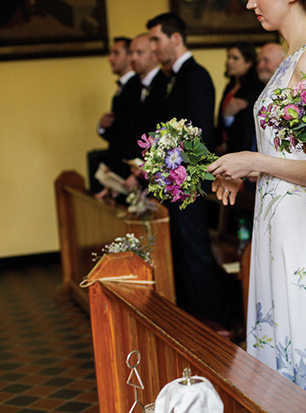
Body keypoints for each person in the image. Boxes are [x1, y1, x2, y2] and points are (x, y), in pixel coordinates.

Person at [208, 0, 306, 410]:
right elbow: (289, 153)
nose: (249, 2)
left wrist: (254, 160)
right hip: (279, 222)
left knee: (305, 336)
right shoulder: (291, 56)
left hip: (305, 230)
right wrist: (248, 170)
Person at [146, 13, 241, 334]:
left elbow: (200, 132)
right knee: (183, 251)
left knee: (195, 251)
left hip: (190, 182)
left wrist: (181, 167)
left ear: (176, 38)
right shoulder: (173, 77)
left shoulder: (196, 76)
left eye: (156, 40)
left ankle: (218, 319)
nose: (153, 47)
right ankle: (196, 316)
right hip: (176, 181)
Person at [89, 37, 141, 197]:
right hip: (119, 167)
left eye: (116, 53)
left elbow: (131, 134)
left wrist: (121, 170)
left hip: (129, 171)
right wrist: (102, 126)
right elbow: (118, 133)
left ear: (129, 55)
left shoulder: (137, 86)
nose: (110, 58)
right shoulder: (123, 88)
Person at [124, 33, 169, 190]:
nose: (133, 58)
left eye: (139, 53)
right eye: (131, 53)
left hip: (156, 172)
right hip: (131, 168)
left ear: (155, 55)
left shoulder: (165, 83)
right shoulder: (131, 85)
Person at [215, 42, 264, 155]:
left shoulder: (255, 87)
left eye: (235, 58)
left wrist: (227, 117)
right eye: (229, 57)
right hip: (224, 147)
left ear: (249, 63)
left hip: (241, 149)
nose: (229, 62)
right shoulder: (231, 85)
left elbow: (247, 127)